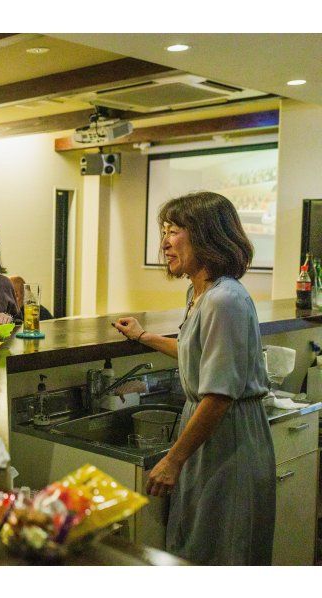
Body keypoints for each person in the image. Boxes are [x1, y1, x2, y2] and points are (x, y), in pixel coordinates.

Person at [112, 191, 276, 565]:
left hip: (229, 436)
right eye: (165, 231)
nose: (165, 242)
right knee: (198, 547)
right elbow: (194, 350)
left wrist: (173, 459)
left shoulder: (225, 300)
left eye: (174, 231)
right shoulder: (199, 292)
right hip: (208, 431)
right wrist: (143, 336)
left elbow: (219, 394)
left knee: (223, 551)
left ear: (206, 236)